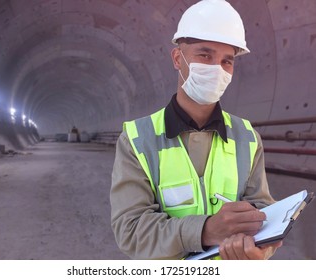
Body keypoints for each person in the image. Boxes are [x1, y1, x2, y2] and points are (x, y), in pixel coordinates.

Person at [110, 0, 282, 260]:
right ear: (178, 58)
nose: (217, 69)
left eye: (227, 61)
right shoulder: (137, 139)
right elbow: (131, 231)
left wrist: (261, 249)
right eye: (205, 55)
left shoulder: (247, 138)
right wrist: (205, 231)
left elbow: (263, 215)